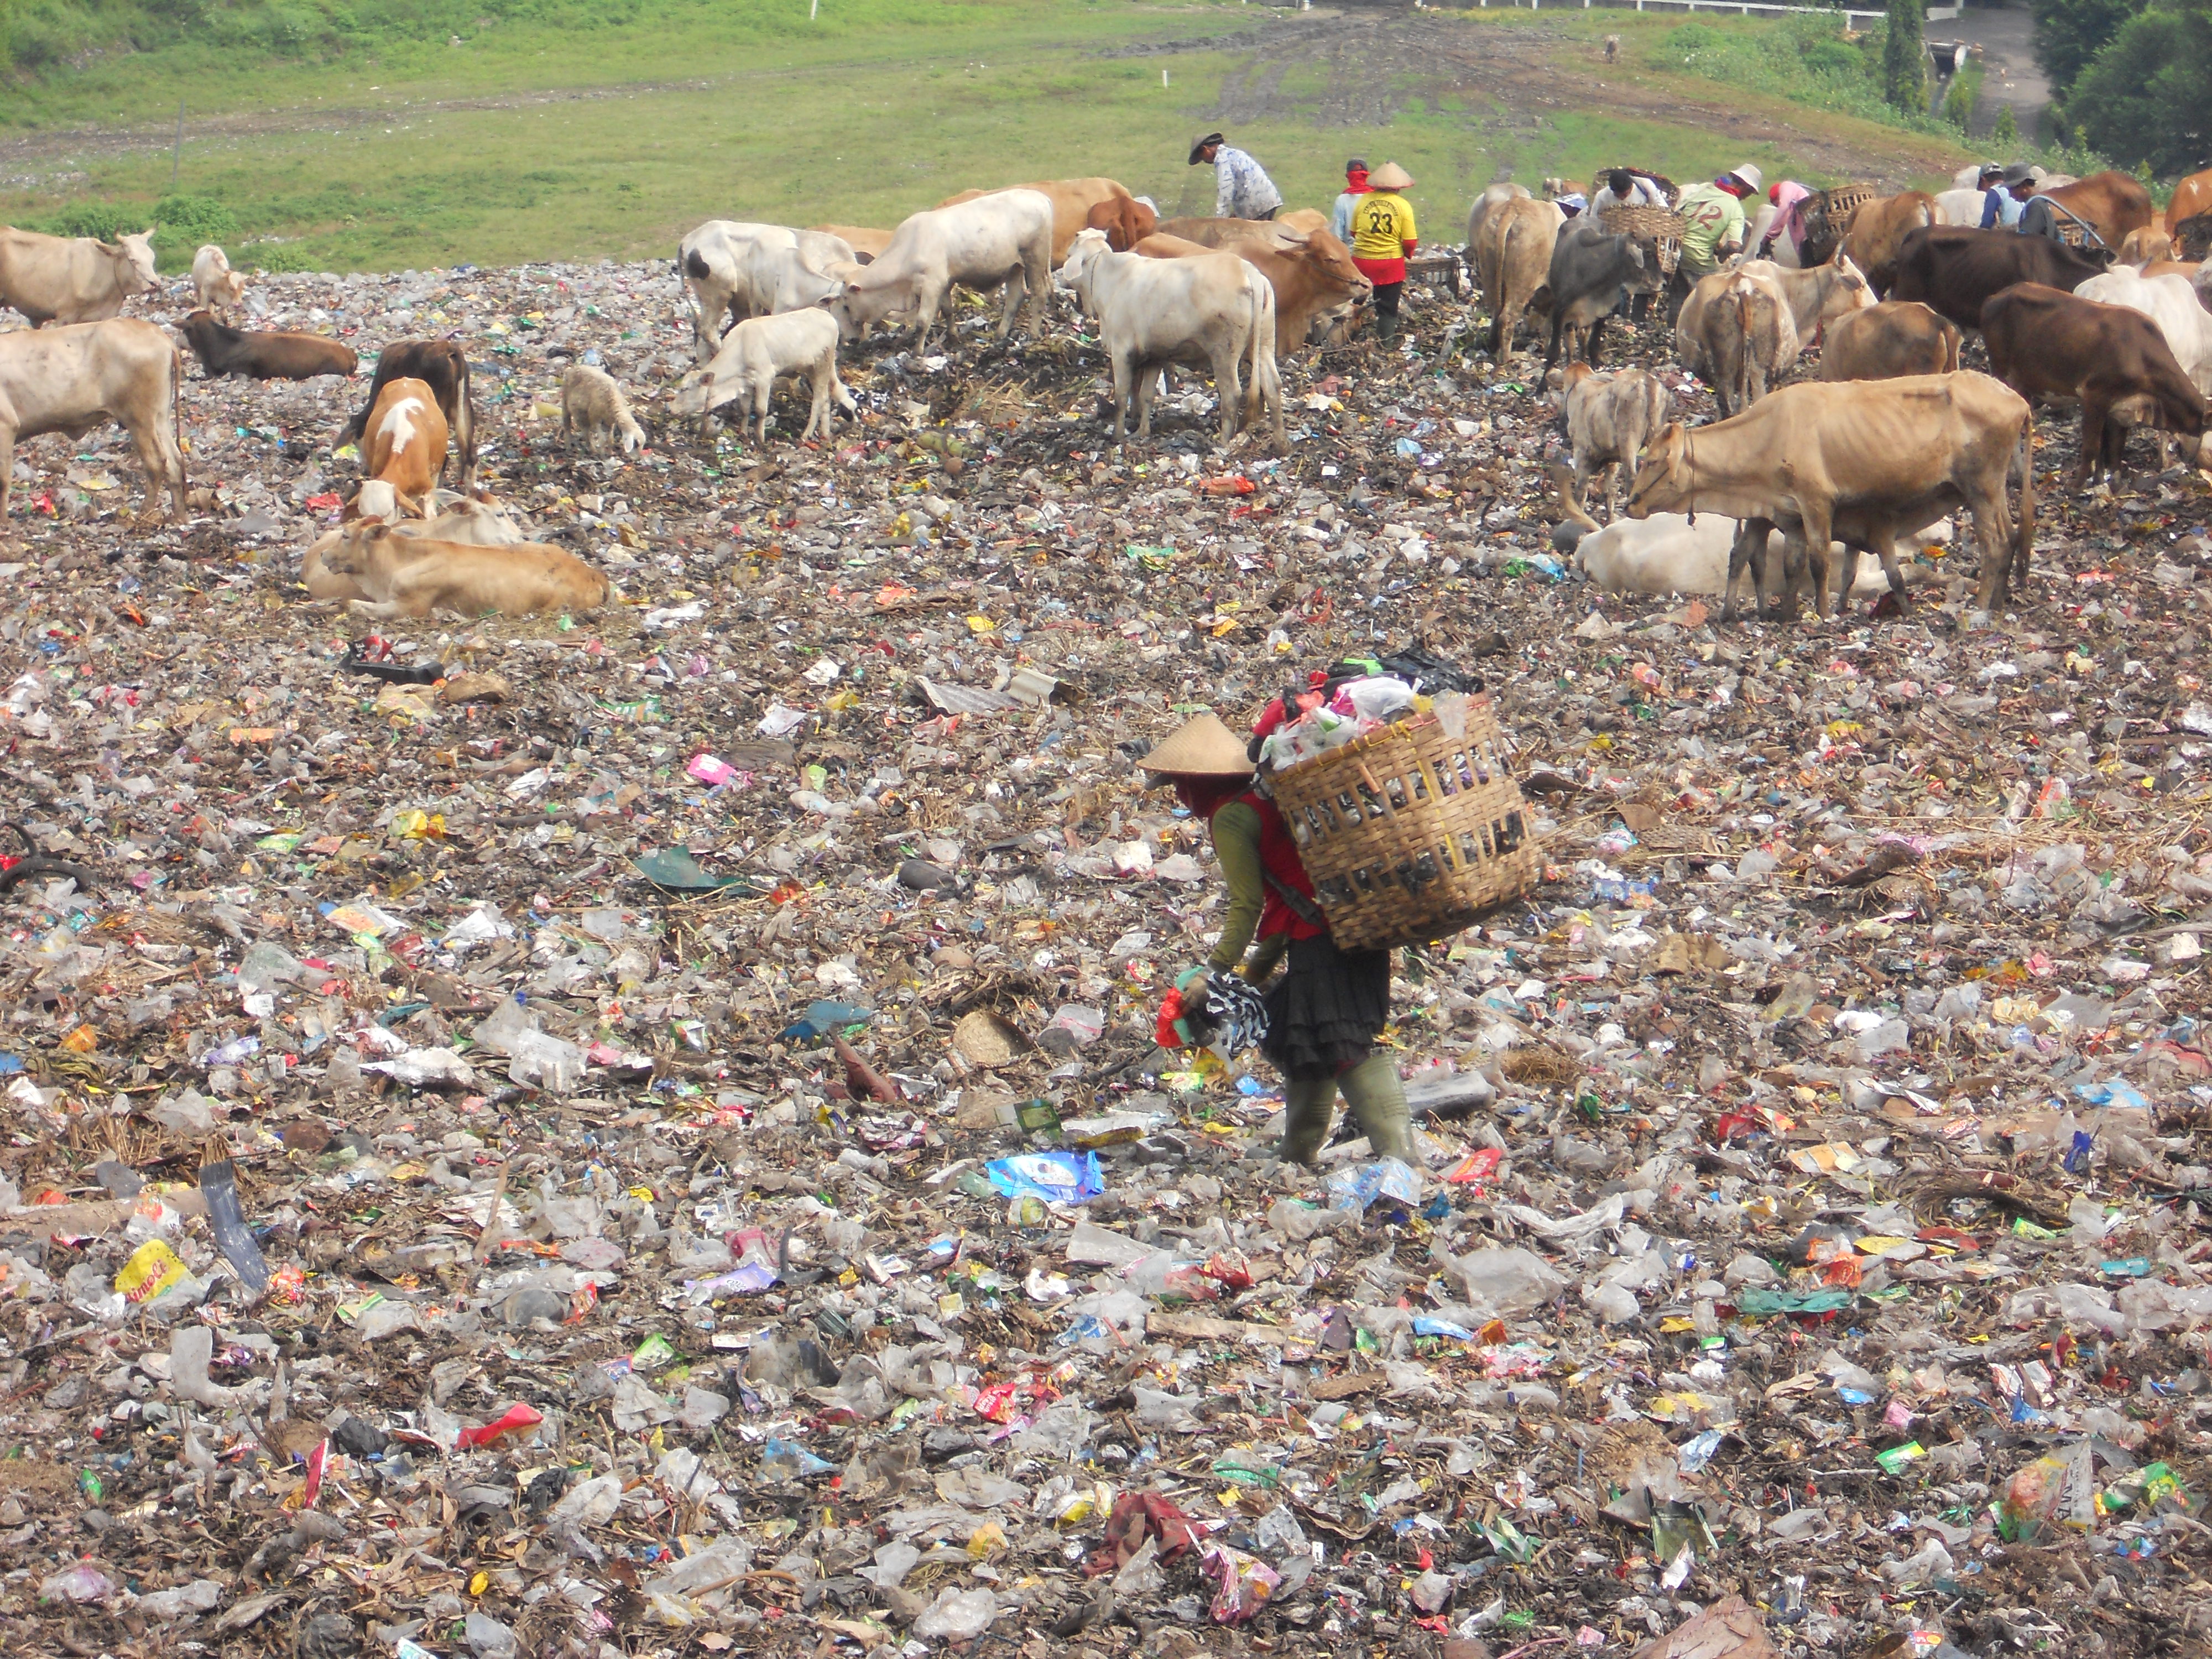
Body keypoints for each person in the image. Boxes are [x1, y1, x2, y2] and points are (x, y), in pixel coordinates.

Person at [1140, 712, 1412, 1166]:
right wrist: (1251, 977)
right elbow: (1288, 902)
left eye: (1179, 786)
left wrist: (1215, 975)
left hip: (1323, 941)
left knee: (1344, 1045)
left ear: (1195, 783)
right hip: (1352, 927)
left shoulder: (1231, 818)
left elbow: (1248, 906)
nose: (1181, 797)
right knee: (1300, 1038)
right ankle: (1298, 1151)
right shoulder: (1268, 800)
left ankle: (1402, 1157)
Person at [1670, 163, 1760, 317]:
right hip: (1699, 260)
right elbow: (1734, 245)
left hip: (1677, 251)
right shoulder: (1735, 208)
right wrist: (1722, 255)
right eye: (1750, 193)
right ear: (1745, 187)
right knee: (1715, 296)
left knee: (1678, 296)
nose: (1747, 197)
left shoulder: (1704, 188)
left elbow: (1680, 212)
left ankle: (1673, 330)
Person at [1349, 163, 1420, 342]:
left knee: (1353, 302)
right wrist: (1406, 255)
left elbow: (1354, 232)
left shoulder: (1363, 200)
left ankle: (1347, 336)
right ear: (1398, 186)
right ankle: (1385, 343)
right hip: (1390, 265)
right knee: (1388, 307)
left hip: (1361, 262)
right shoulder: (1403, 206)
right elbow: (1410, 241)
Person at [1190, 132, 1283, 222]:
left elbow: (1225, 191)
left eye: (1202, 157)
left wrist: (1219, 220)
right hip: (1268, 198)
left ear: (1205, 149)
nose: (1205, 161)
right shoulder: (1234, 153)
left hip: (1256, 204)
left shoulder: (1222, 159)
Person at [1750, 179, 1812, 260]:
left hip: (1807, 216)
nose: (1777, 207)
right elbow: (1783, 221)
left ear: (1777, 198)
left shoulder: (1786, 186)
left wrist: (1768, 236)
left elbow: (1782, 210)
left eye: (1776, 204)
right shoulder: (1792, 206)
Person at [1590, 168, 1666, 216]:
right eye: (1618, 195)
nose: (1622, 198)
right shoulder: (1602, 197)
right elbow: (1594, 220)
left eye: (1625, 194)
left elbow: (1663, 208)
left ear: (1631, 186)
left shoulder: (1646, 186)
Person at [1331, 158, 1371, 242]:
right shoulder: (1377, 197)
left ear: (1348, 177)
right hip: (1377, 250)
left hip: (1351, 252)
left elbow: (1336, 234)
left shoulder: (1342, 200)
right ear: (1367, 176)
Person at [1981, 162, 2033, 229]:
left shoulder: (1994, 191)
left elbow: (1986, 223)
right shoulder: (2029, 198)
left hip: (2010, 235)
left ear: (1983, 180)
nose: (2010, 195)